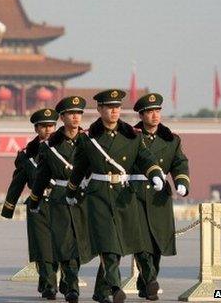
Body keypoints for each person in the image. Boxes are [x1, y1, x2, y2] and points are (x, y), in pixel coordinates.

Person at [65, 89, 165, 303]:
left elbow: (145, 158)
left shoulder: (132, 136)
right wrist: (71, 191)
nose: (114, 111)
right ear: (99, 109)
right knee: (109, 245)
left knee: (135, 241)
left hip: (124, 195)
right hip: (98, 196)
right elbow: (79, 169)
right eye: (109, 107)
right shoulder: (88, 139)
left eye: (117, 107)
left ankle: (109, 290)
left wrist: (155, 173)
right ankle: (114, 285)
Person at [28, 96, 93, 303]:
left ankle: (67, 281)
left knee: (78, 243)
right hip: (58, 199)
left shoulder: (91, 142)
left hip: (82, 199)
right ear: (63, 117)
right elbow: (41, 176)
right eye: (71, 114)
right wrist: (35, 200)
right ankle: (68, 286)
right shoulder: (51, 146)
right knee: (60, 244)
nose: (76, 117)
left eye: (79, 113)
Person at [130, 93, 190, 301]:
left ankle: (145, 283)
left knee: (156, 243)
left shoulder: (171, 139)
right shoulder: (131, 136)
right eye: (150, 112)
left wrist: (181, 181)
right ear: (142, 114)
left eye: (158, 111)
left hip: (159, 196)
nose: (155, 116)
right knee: (140, 240)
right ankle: (150, 280)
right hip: (135, 192)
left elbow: (179, 162)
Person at [1, 108, 60, 300]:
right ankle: (50, 284)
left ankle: (51, 280)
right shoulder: (27, 155)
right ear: (36, 129)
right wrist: (8, 207)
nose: (48, 129)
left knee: (61, 246)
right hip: (38, 203)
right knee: (42, 247)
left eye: (51, 125)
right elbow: (18, 182)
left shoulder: (66, 147)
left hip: (61, 202)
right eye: (44, 126)